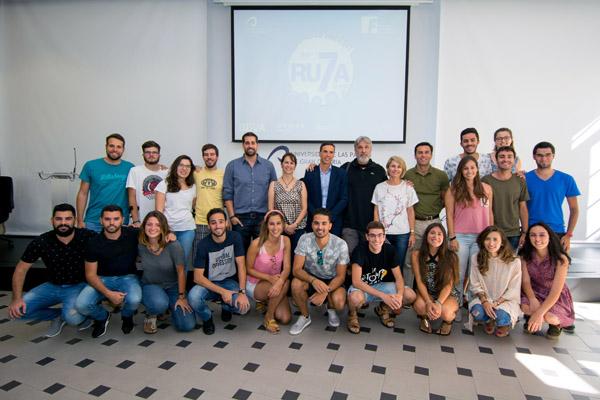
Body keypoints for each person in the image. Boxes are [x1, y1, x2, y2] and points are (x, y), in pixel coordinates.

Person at [8, 204, 95, 337]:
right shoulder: (41, 241)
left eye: (68, 219)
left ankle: (78, 314)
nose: (63, 223)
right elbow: (20, 269)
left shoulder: (87, 237)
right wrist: (16, 298)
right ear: (52, 220)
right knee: (17, 312)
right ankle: (57, 316)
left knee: (73, 318)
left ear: (75, 220)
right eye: (59, 219)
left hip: (78, 286)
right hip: (52, 286)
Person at [75, 205, 142, 338]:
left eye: (116, 219)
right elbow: (90, 275)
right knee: (82, 305)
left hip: (127, 277)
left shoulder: (133, 234)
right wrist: (109, 294)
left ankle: (127, 316)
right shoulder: (93, 243)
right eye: (107, 219)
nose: (112, 223)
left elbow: (155, 230)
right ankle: (102, 317)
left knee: (135, 300)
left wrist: (169, 234)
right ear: (101, 220)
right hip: (102, 279)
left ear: (122, 220)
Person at [445, 155, 494, 321]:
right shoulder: (453, 190)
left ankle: (474, 306)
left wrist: (492, 236)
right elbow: (449, 215)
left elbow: (490, 213)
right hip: (460, 236)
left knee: (476, 273)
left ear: (477, 169)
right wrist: (452, 237)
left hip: (482, 237)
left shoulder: (487, 189)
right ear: (461, 171)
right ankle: (456, 304)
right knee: (458, 273)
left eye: (472, 168)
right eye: (466, 168)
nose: (469, 171)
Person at [188, 208, 250, 335]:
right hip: (209, 284)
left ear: (226, 223)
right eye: (213, 222)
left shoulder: (235, 237)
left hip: (229, 281)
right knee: (193, 297)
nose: (218, 226)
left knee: (243, 308)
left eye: (221, 221)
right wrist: (223, 292)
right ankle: (207, 318)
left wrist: (242, 292)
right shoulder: (203, 244)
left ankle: (226, 307)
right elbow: (197, 278)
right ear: (209, 225)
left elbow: (241, 266)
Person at [346, 221, 416, 334]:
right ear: (367, 237)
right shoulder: (359, 251)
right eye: (372, 235)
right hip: (363, 288)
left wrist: (398, 296)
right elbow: (356, 282)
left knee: (410, 295)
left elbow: (399, 278)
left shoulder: (390, 250)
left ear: (384, 237)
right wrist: (384, 296)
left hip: (382, 286)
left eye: (380, 235)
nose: (376, 239)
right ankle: (352, 315)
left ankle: (383, 309)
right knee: (355, 298)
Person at [289, 208, 349, 335]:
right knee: (296, 284)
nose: (320, 227)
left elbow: (341, 277)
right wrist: (313, 280)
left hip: (332, 280)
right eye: (316, 223)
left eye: (324, 223)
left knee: (339, 302)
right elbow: (296, 270)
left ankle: (331, 308)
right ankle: (305, 316)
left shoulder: (341, 244)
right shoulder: (304, 239)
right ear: (312, 224)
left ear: (330, 226)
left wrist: (325, 292)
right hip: (311, 277)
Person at [138, 211, 195, 334]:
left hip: (173, 287)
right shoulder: (140, 243)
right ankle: (151, 314)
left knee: (187, 325)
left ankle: (168, 308)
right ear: (144, 226)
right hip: (150, 284)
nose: (153, 228)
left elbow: (181, 272)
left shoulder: (173, 245)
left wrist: (181, 297)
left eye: (157, 225)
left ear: (163, 227)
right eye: (149, 224)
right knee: (158, 303)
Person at [403, 142, 449, 284]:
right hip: (414, 222)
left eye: (426, 152)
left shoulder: (441, 176)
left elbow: (445, 198)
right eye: (420, 152)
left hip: (434, 222)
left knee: (437, 259)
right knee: (410, 259)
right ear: (415, 155)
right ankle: (408, 292)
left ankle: (434, 291)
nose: (423, 155)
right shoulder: (407, 174)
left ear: (431, 154)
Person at [519, 223, 575, 339]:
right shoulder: (525, 255)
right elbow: (525, 281)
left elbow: (556, 291)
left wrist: (539, 313)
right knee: (525, 307)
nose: (537, 239)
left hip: (555, 296)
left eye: (542, 235)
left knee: (550, 317)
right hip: (534, 292)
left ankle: (554, 325)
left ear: (550, 236)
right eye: (533, 235)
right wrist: (532, 299)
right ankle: (533, 318)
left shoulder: (561, 259)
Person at [223, 132, 278, 250]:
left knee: (261, 255)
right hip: (240, 219)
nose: (250, 145)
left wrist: (270, 215)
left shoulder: (268, 166)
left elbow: (274, 191)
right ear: (243, 145)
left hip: (262, 218)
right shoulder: (232, 166)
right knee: (240, 254)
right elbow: (227, 193)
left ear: (257, 145)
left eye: (253, 143)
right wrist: (232, 216)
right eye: (247, 143)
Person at [526, 141, 580, 252]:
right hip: (532, 231)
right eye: (540, 155)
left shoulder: (566, 179)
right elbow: (520, 207)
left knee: (559, 267)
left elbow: (574, 209)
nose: (544, 158)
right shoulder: (525, 179)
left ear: (553, 156)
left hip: (557, 231)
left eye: (547, 155)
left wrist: (568, 235)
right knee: (531, 268)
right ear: (534, 157)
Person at [468, 226, 522, 337]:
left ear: (502, 242)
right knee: (477, 313)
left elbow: (514, 288)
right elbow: (475, 284)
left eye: (495, 239)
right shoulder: (476, 258)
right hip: (484, 299)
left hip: (505, 301)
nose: (491, 243)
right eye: (487, 239)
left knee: (501, 317)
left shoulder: (514, 261)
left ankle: (504, 323)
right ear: (482, 241)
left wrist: (496, 303)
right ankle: (488, 320)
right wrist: (485, 302)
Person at [245, 210, 292, 333]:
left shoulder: (286, 240)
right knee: (285, 284)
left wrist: (280, 280)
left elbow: (287, 267)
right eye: (272, 224)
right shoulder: (256, 244)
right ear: (266, 225)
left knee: (285, 318)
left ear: (283, 225)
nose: (275, 228)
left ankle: (267, 301)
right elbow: (248, 269)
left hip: (275, 282)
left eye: (278, 223)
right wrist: (270, 278)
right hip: (255, 284)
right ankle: (268, 317)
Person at [76, 133, 134, 232]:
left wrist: (159, 168)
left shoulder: (130, 168)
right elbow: (82, 193)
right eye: (111, 146)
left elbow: (133, 195)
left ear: (123, 149)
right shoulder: (91, 166)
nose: (115, 149)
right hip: (93, 221)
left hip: (119, 221)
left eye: (118, 147)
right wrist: (80, 220)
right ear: (106, 146)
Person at [372, 156, 418, 275]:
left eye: (399, 167)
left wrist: (412, 232)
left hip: (402, 234)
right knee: (382, 264)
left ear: (402, 170)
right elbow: (376, 209)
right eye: (393, 166)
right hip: (383, 234)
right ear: (388, 168)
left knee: (399, 264)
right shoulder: (379, 187)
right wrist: (377, 231)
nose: (395, 169)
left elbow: (410, 211)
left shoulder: (408, 187)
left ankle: (398, 290)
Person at [341, 136, 387, 255]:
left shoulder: (379, 170)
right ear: (355, 150)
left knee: (371, 259)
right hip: (350, 225)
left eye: (366, 147)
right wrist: (314, 167)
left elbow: (390, 190)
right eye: (360, 147)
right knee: (351, 257)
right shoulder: (346, 168)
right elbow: (330, 177)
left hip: (372, 226)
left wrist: (406, 183)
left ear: (371, 149)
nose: (363, 150)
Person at [411, 223, 459, 336]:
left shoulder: (451, 256)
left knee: (446, 312)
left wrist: (438, 303)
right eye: (432, 233)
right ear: (426, 236)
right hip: (427, 292)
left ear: (444, 238)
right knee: (420, 306)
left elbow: (449, 285)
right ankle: (424, 318)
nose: (435, 237)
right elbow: (419, 280)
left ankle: (448, 322)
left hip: (446, 294)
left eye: (439, 234)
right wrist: (428, 301)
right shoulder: (416, 254)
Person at [482, 146, 529, 250]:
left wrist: (525, 232)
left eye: (509, 157)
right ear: (496, 159)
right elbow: (482, 209)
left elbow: (523, 208)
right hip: (492, 233)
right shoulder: (486, 181)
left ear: (514, 160)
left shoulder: (520, 181)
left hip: (513, 234)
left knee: (509, 264)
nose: (506, 159)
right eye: (502, 156)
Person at [155, 155, 196, 271]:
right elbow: (158, 212)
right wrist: (166, 230)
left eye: (188, 166)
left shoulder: (193, 186)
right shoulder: (164, 184)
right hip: (168, 229)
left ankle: (181, 289)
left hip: (187, 229)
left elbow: (192, 206)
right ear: (175, 167)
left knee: (183, 262)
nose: (184, 169)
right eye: (181, 165)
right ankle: (169, 287)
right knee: (168, 262)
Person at [304, 143, 347, 236]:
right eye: (325, 151)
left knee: (332, 250)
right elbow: (305, 198)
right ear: (320, 153)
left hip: (334, 221)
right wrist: (316, 215)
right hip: (314, 220)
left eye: (331, 152)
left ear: (333, 155)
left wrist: (330, 216)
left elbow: (344, 199)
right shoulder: (310, 172)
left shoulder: (341, 173)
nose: (328, 155)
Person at [268, 152, 307, 254]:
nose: (288, 165)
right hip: (279, 228)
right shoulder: (274, 184)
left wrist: (294, 224)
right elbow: (271, 209)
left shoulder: (301, 184)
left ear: (295, 166)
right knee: (281, 257)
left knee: (296, 257)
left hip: (298, 228)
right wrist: (284, 225)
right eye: (286, 162)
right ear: (281, 164)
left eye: (291, 163)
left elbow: (304, 208)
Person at [126, 140, 167, 228]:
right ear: (143, 155)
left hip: (161, 222)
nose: (151, 155)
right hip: (141, 221)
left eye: (154, 152)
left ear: (159, 155)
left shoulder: (167, 172)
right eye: (147, 152)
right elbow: (131, 197)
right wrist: (136, 220)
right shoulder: (135, 171)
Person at [193, 144, 224, 245]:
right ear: (203, 157)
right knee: (199, 255)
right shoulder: (196, 173)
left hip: (218, 222)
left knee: (218, 257)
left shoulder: (224, 174)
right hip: (200, 222)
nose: (209, 157)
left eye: (212, 154)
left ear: (217, 156)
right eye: (206, 155)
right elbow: (178, 171)